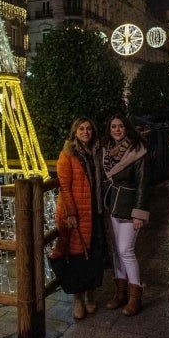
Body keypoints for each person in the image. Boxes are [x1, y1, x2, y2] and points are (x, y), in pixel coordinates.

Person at [53, 117, 105, 320]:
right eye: (81, 129)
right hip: (79, 214)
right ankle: (78, 299)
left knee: (93, 255)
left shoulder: (96, 152)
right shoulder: (68, 155)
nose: (86, 132)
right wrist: (72, 214)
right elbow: (65, 188)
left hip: (96, 211)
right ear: (74, 132)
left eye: (89, 129)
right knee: (77, 256)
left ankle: (91, 295)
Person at [100, 114, 149, 316]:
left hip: (129, 207)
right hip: (113, 204)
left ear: (127, 128)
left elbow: (143, 184)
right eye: (113, 126)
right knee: (116, 252)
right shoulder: (107, 150)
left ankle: (135, 296)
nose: (117, 130)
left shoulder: (137, 150)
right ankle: (120, 293)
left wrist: (139, 213)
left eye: (121, 126)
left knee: (125, 250)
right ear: (109, 129)